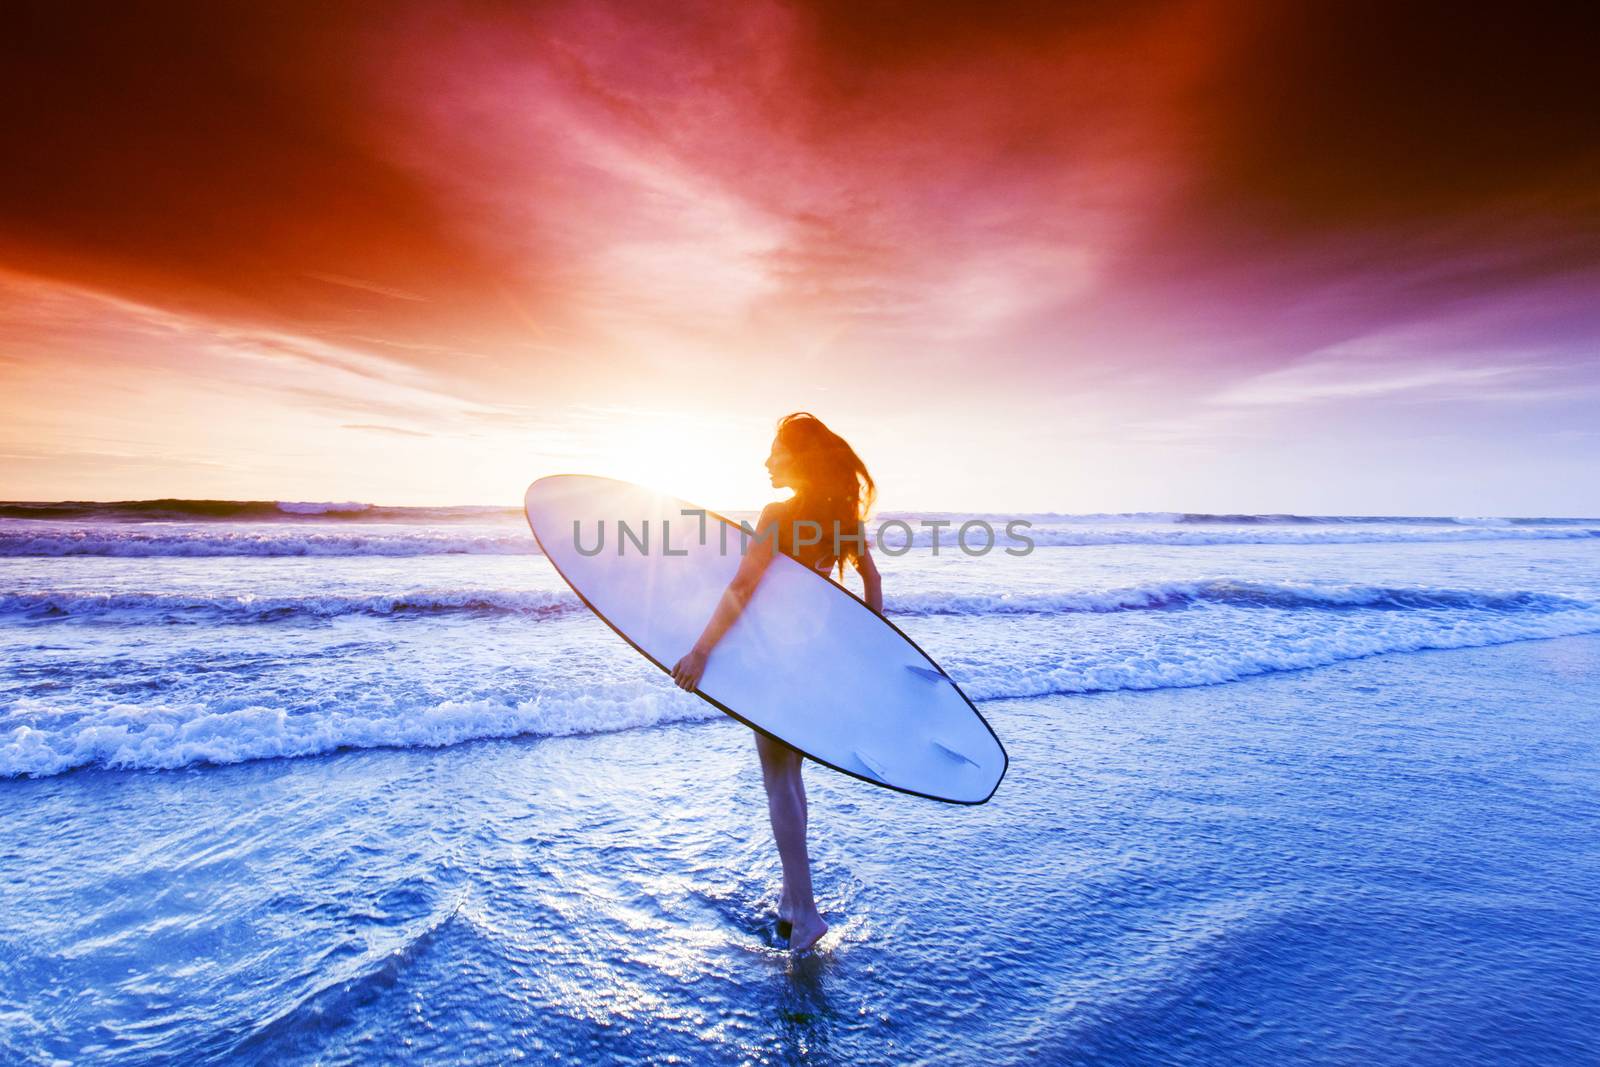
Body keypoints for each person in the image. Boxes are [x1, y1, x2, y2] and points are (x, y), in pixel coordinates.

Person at [670, 412, 882, 954]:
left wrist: (700, 651)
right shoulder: (841, 518)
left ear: (798, 459)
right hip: (817, 662)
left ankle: (805, 913)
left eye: (775, 453)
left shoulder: (778, 514)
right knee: (791, 776)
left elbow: (743, 585)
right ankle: (794, 900)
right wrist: (869, 650)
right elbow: (872, 581)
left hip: (776, 662)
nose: (767, 462)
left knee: (777, 778)